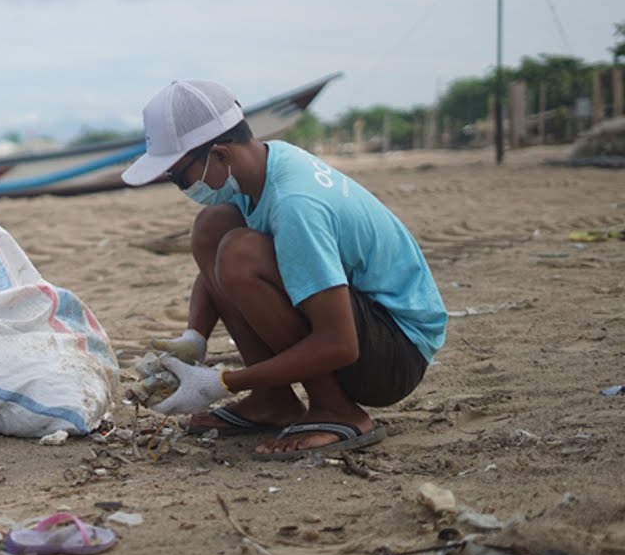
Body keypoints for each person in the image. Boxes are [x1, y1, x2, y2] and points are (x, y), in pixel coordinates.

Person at [121, 79, 446, 461]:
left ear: (221, 155)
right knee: (213, 228)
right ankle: (271, 400)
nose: (179, 186)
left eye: (178, 176)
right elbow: (214, 270)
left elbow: (340, 343)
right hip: (367, 328)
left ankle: (337, 411)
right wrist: (195, 336)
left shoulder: (296, 204)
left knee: (239, 254)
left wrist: (223, 382)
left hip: (396, 351)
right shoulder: (261, 168)